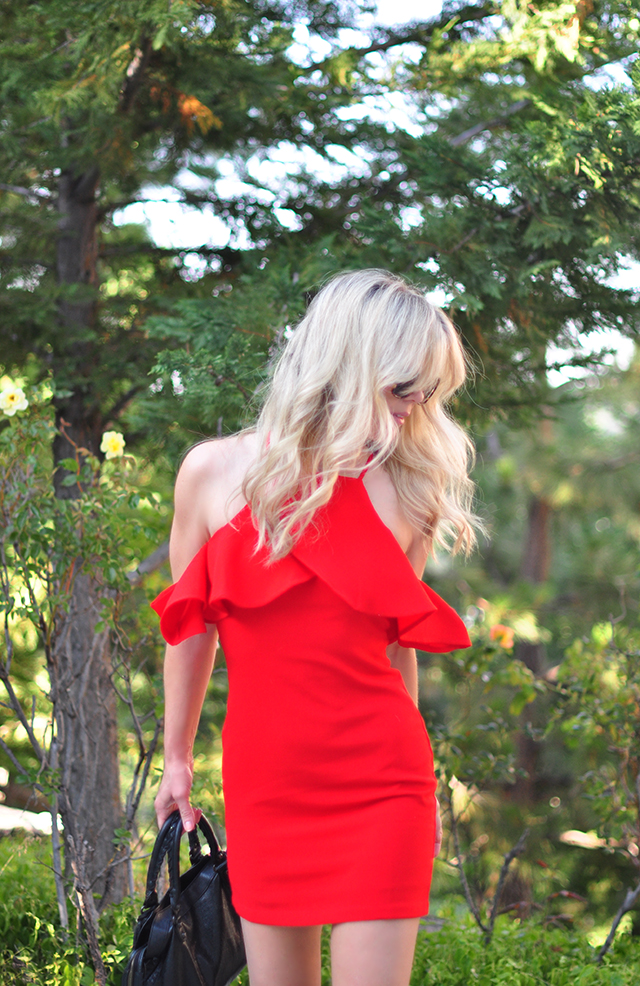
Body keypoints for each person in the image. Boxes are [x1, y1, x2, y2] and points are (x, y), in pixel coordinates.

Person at [152, 268, 477, 986]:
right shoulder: (209, 474)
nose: (416, 407)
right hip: (268, 782)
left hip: (384, 783)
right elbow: (189, 628)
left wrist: (410, 760)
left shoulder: (407, 485)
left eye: (428, 391)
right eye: (403, 388)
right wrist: (177, 757)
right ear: (350, 365)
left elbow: (396, 646)